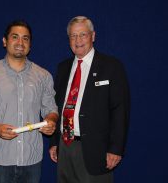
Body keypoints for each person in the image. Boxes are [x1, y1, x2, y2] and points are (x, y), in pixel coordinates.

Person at [0, 20, 58, 183]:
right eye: (15, 37)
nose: (20, 42)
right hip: (0, 159)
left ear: (30, 44)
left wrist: (51, 121)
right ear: (5, 41)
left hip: (31, 159)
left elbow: (51, 109)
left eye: (25, 38)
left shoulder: (43, 76)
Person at [49, 16, 130, 183]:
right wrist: (54, 142)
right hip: (65, 147)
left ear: (93, 36)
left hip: (96, 151)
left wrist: (116, 149)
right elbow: (56, 107)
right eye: (73, 36)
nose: (78, 40)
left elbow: (120, 110)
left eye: (83, 34)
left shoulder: (111, 66)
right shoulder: (63, 68)